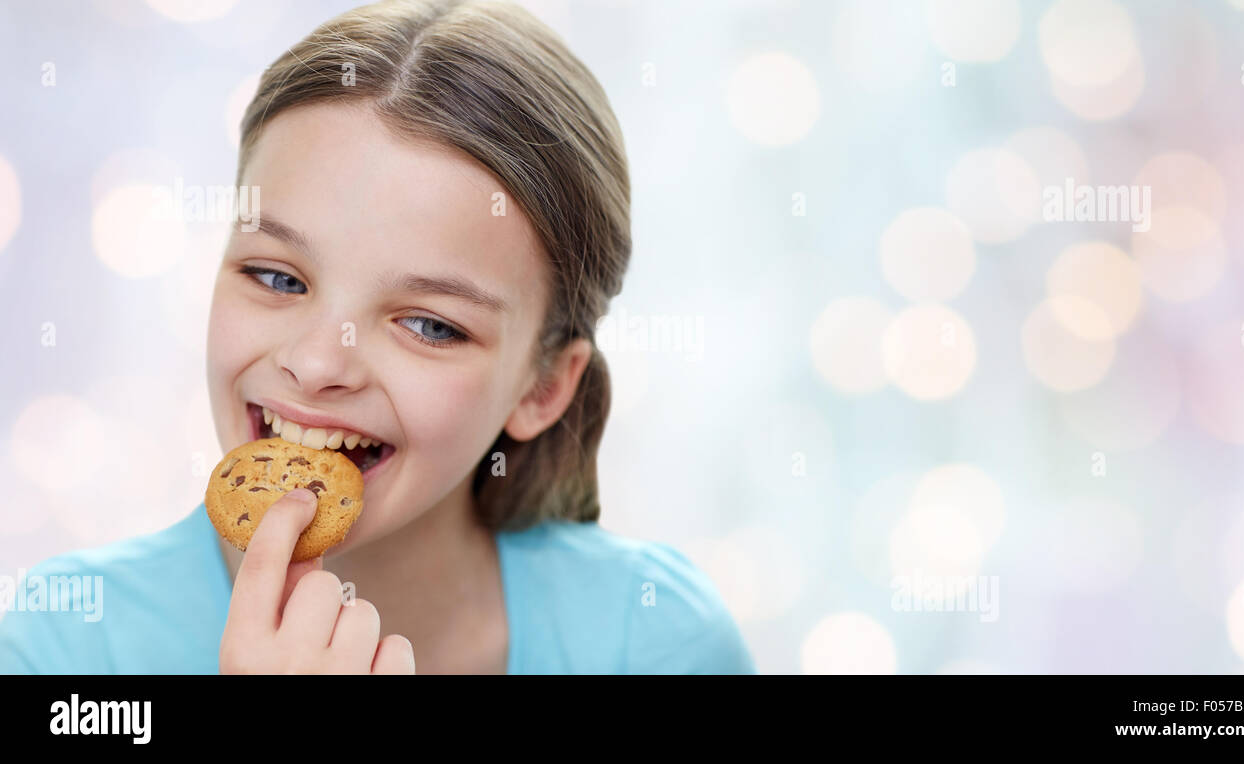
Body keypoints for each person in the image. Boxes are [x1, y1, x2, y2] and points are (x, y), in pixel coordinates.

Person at [0, 0, 755, 675]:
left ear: (544, 385)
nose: (318, 362)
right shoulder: (65, 642)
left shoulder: (658, 644)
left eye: (430, 325)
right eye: (278, 278)